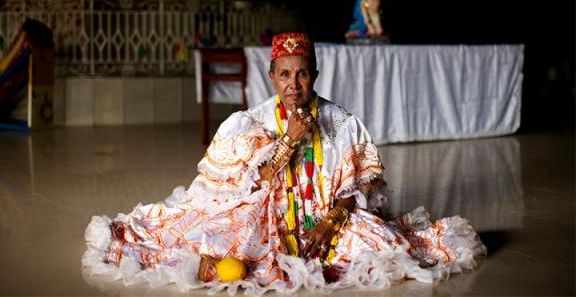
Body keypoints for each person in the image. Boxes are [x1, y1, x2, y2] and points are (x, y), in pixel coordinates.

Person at [83, 33, 486, 294]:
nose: (294, 85)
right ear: (272, 76)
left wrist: (331, 221)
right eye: (285, 75)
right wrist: (289, 140)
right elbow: (249, 186)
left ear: (315, 75)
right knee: (226, 246)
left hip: (327, 218)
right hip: (263, 215)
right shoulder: (249, 122)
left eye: (303, 75)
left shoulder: (343, 122)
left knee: (380, 247)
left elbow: (362, 188)